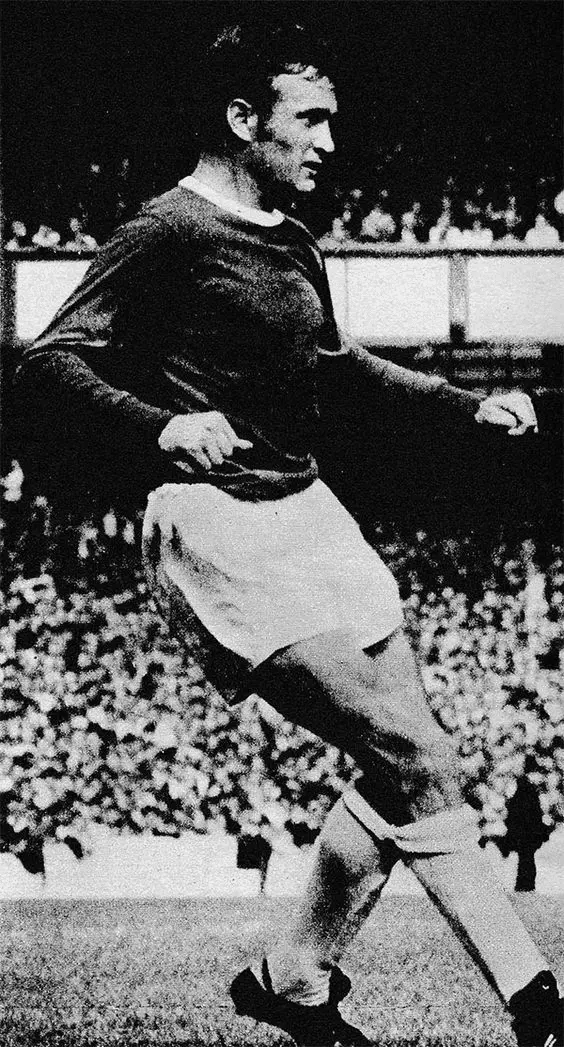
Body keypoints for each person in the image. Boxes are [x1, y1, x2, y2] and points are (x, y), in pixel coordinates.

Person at [14, 22, 562, 1047]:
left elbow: (338, 367)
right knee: (410, 746)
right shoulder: (167, 230)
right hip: (218, 520)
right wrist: (161, 426)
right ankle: (537, 1002)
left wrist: (464, 405)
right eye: (310, 119)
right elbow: (48, 362)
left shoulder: (292, 236)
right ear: (241, 119)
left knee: (419, 762)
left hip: (311, 511)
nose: (329, 141)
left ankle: (293, 977)